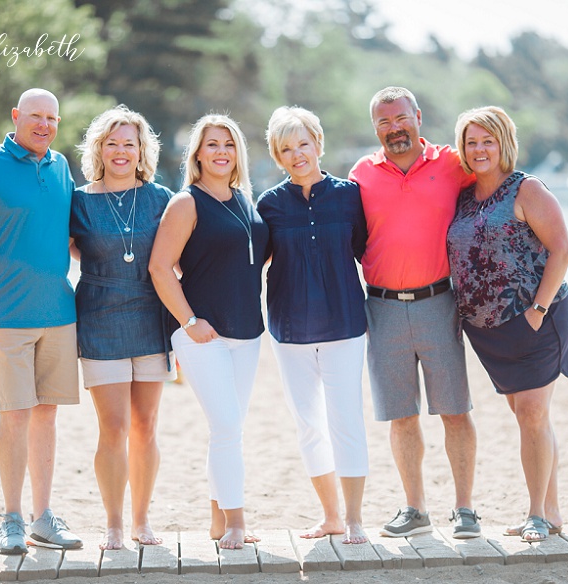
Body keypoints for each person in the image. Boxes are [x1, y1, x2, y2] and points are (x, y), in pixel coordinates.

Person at [0, 88, 83, 555]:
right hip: (5, 317)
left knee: (47, 416)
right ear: (15, 117)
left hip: (61, 314)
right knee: (15, 414)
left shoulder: (62, 166)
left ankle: (43, 518)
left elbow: (68, 236)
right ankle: (10, 517)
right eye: (35, 116)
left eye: (52, 118)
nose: (44, 125)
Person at [349, 86, 481, 539]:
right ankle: (415, 509)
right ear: (375, 128)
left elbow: (492, 194)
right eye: (384, 122)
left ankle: (465, 508)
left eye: (401, 118)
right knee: (400, 415)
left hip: (439, 304)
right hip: (381, 308)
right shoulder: (361, 174)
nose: (394, 128)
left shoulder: (451, 164)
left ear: (418, 117)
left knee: (455, 411)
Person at [447, 105, 568, 542]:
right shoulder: (465, 196)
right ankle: (553, 511)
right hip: (489, 332)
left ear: (504, 143)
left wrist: (537, 312)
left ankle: (538, 514)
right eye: (471, 141)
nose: (479, 149)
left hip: (536, 319)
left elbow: (562, 250)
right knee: (528, 416)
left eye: (488, 140)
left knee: (533, 412)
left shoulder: (527, 189)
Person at [148, 114, 269, 550]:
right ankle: (236, 523)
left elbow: (253, 259)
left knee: (228, 429)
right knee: (227, 427)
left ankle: (218, 522)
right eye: (213, 144)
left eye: (229, 144)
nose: (221, 152)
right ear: (198, 153)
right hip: (202, 335)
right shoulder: (187, 202)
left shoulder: (245, 200)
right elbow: (160, 267)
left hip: (249, 333)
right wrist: (189, 321)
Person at [256, 106, 369, 545]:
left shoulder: (349, 195)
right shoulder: (269, 204)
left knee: (347, 420)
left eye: (303, 143)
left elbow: (364, 250)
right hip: (289, 331)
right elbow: (254, 260)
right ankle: (331, 516)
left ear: (318, 143)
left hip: (345, 325)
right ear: (278, 156)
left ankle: (355, 517)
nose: (297, 153)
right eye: (287, 148)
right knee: (309, 424)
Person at [70, 105, 176, 549]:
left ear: (141, 150)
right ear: (99, 148)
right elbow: (67, 247)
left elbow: (176, 257)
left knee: (145, 424)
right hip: (99, 316)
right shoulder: (78, 199)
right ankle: (113, 523)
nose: (120, 151)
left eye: (128, 143)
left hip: (151, 315)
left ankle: (141, 519)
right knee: (112, 426)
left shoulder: (161, 197)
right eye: (111, 143)